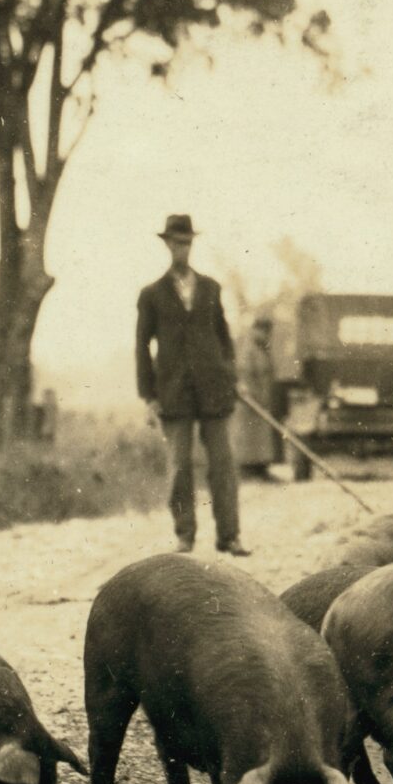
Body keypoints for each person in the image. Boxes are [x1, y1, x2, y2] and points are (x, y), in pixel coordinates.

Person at [134, 213, 248, 556]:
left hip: (214, 390)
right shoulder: (151, 294)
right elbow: (141, 345)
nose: (181, 249)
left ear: (191, 245)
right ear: (167, 245)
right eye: (175, 242)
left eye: (186, 243)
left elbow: (224, 338)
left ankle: (230, 536)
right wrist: (148, 395)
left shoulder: (211, 288)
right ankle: (185, 535)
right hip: (173, 393)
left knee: (223, 464)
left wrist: (230, 375)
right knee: (180, 466)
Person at [233, 312, 282, 479]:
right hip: (250, 402)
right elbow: (245, 375)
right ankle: (248, 470)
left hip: (262, 400)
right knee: (249, 437)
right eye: (264, 331)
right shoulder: (249, 349)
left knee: (261, 437)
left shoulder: (263, 349)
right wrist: (255, 397)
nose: (267, 335)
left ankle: (261, 468)